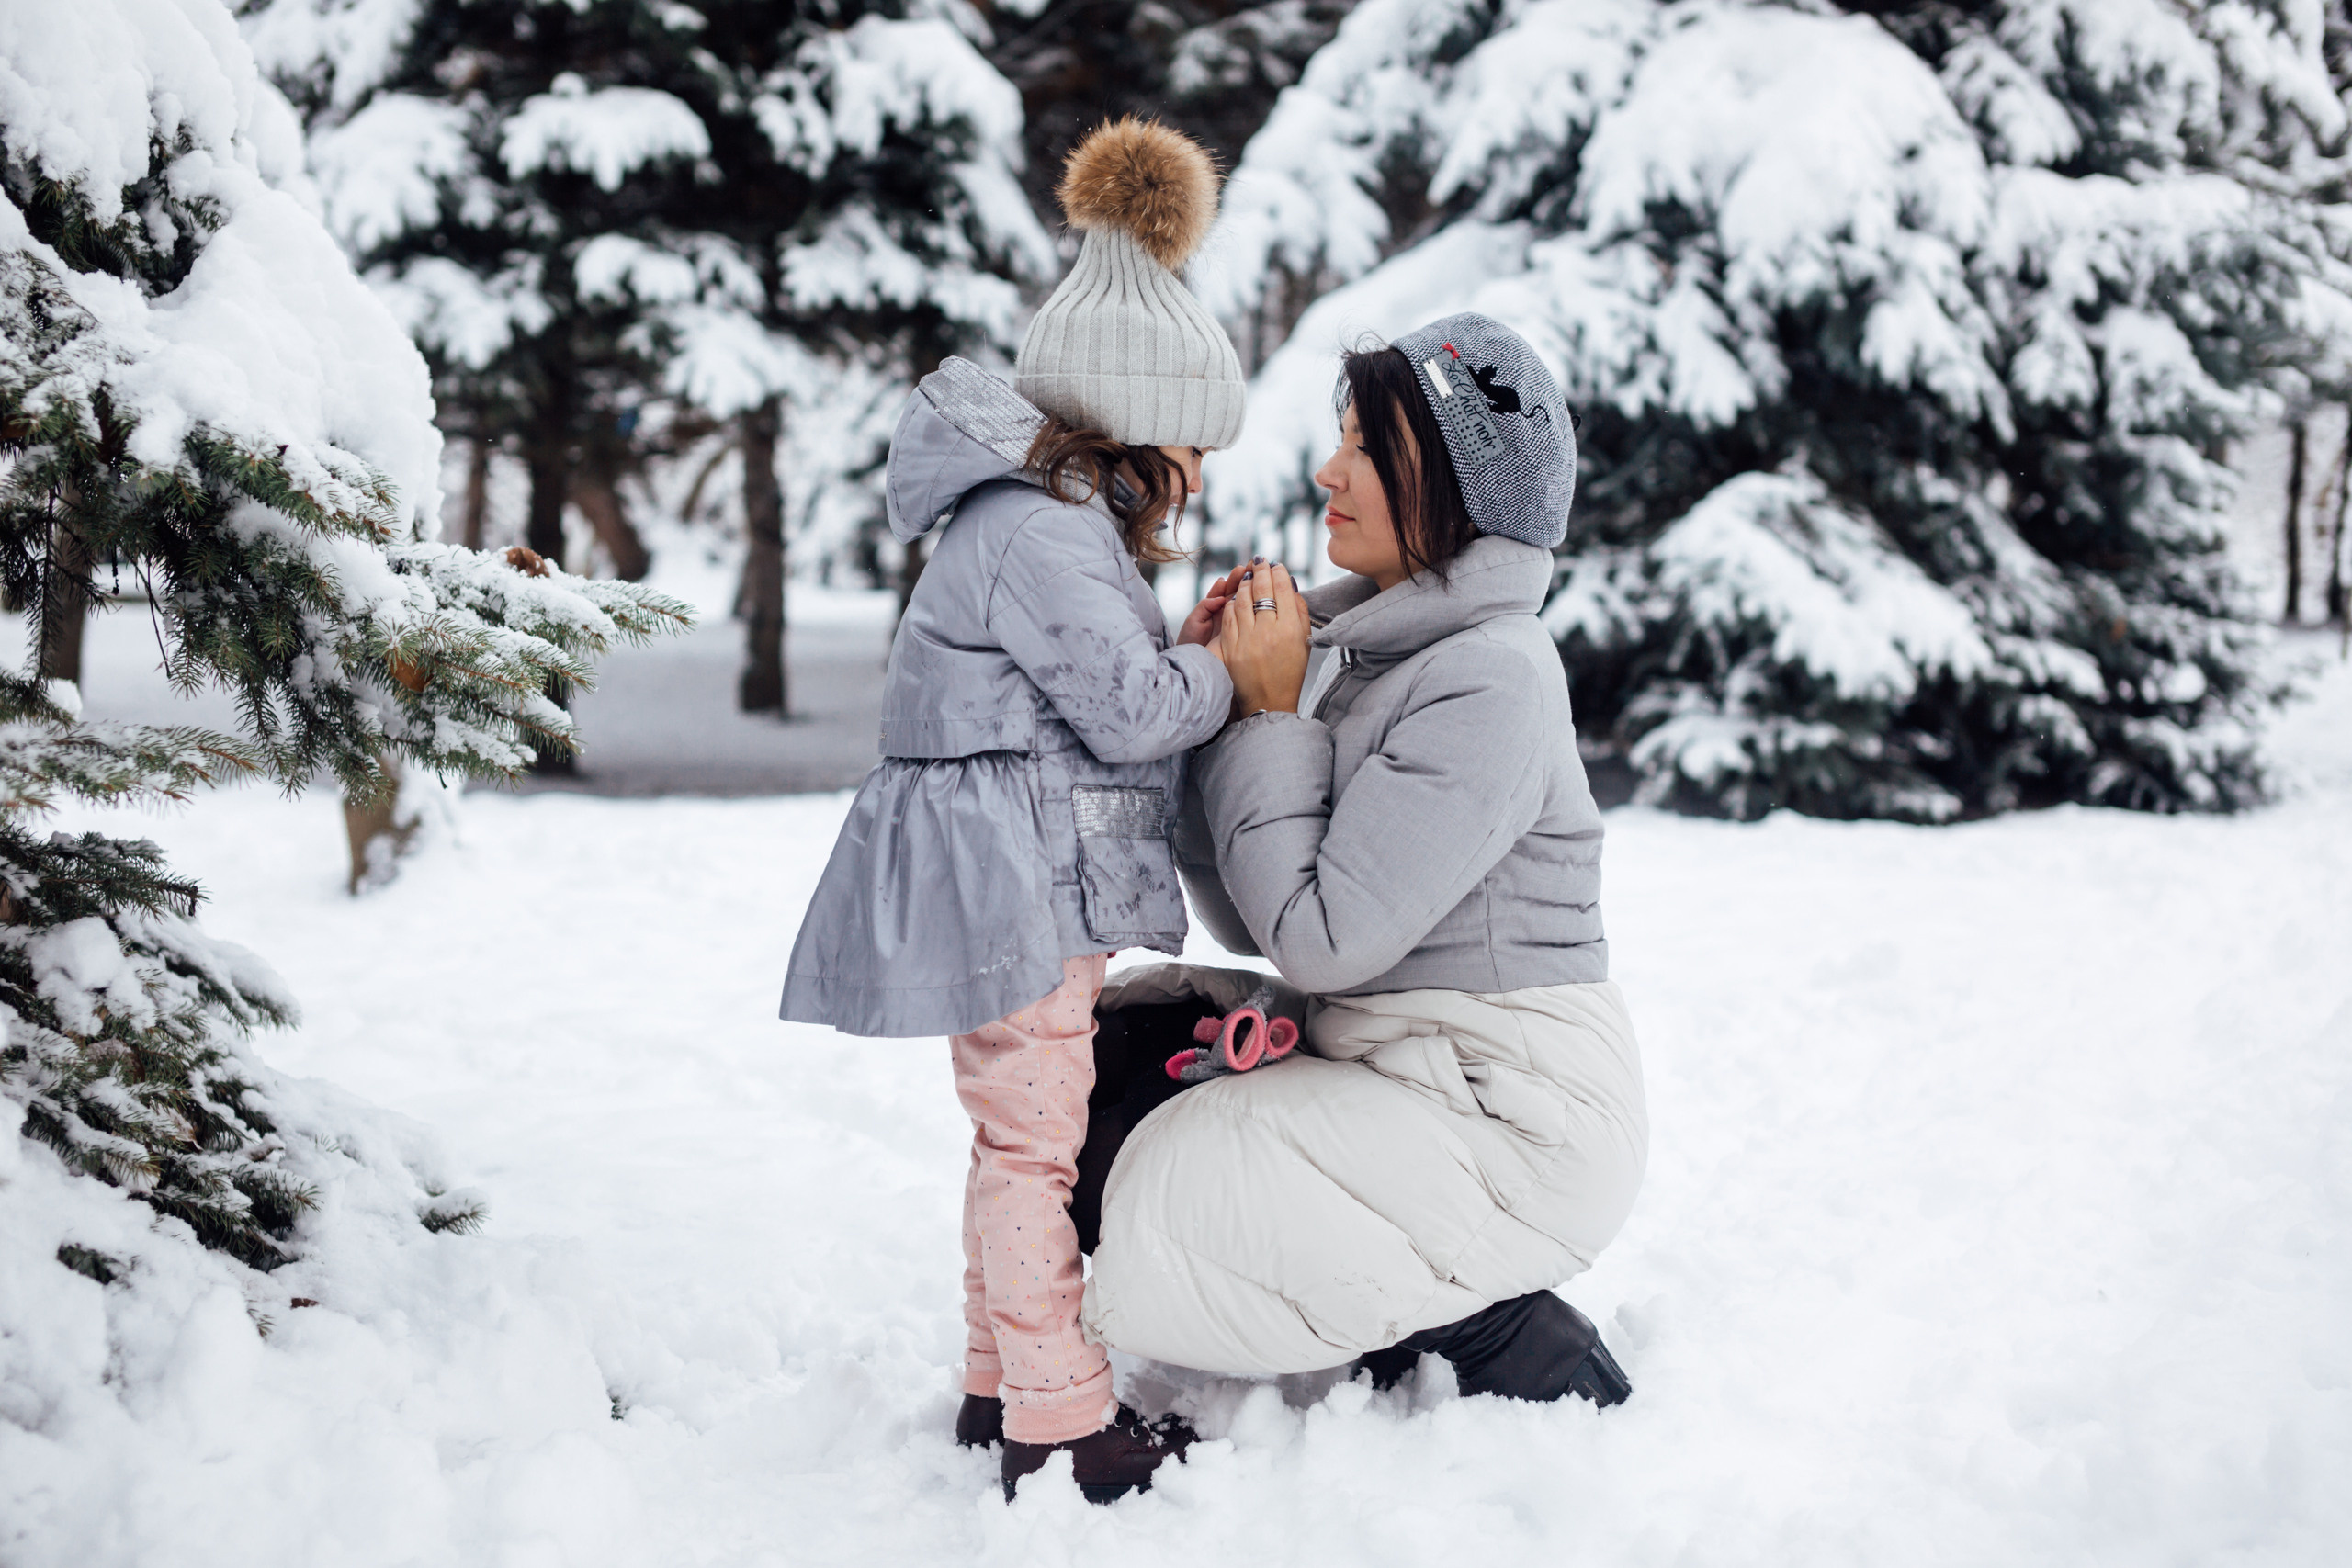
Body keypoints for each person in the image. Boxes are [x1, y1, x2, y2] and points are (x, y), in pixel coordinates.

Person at [777, 118, 1250, 1503]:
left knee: (1014, 1139)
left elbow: (1102, 685)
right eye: (1189, 441)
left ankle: (1002, 1385)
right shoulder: (1047, 532)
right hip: (1019, 889)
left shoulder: (1042, 524)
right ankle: (1057, 1416)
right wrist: (1227, 671)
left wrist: (1190, 646)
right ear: (1127, 425)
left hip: (1019, 875)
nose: (1202, 472)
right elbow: (1127, 710)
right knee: (1036, 1149)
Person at [1080, 313, 1648, 1405]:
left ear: (1454, 490)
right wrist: (1220, 708)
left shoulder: (1494, 677)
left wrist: (1261, 713)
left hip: (1509, 1114)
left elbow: (1320, 943)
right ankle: (1408, 1286)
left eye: (1367, 451)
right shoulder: (1384, 650)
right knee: (1103, 1064)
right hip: (1395, 1065)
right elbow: (1258, 919)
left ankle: (1490, 1327)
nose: (1325, 471)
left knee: (1169, 1177)